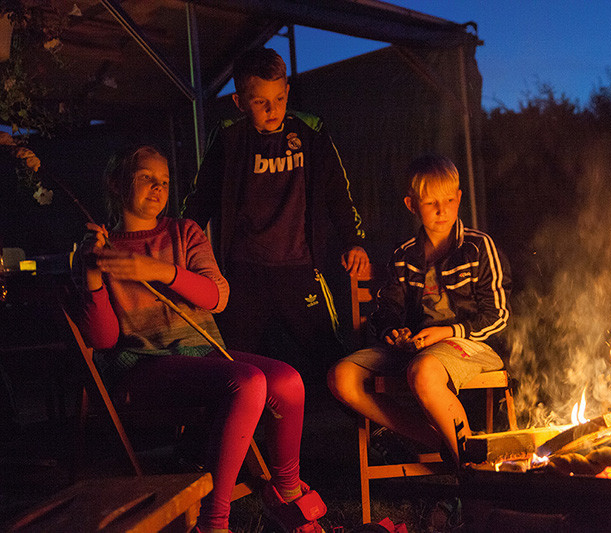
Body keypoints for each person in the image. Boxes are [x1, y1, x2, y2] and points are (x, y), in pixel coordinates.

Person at [71, 145, 326, 533]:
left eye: (165, 181)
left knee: (289, 382)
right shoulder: (100, 250)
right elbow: (104, 341)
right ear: (116, 183)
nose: (158, 188)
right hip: (143, 366)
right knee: (247, 383)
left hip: (202, 353)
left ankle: (286, 493)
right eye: (146, 178)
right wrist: (91, 275)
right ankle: (214, 520)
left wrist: (158, 270)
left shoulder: (184, 232)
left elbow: (217, 297)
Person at [182, 48, 368, 389]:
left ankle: (372, 431)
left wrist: (353, 242)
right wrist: (176, 247)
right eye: (260, 102)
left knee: (331, 357)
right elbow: (200, 200)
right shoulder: (228, 136)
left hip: (299, 268)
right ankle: (224, 439)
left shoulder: (311, 131)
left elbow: (337, 193)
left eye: (279, 98)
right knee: (230, 365)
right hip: (242, 272)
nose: (273, 109)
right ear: (239, 101)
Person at [327, 154, 511, 463]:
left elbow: (499, 316)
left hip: (469, 344)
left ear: (459, 198)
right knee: (341, 376)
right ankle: (446, 445)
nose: (442, 211)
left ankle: (473, 470)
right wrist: (392, 330)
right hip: (416, 347)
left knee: (423, 372)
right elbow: (387, 309)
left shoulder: (478, 247)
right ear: (412, 205)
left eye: (449, 200)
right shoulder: (404, 256)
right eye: (430, 203)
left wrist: (448, 331)